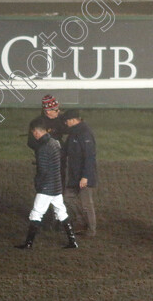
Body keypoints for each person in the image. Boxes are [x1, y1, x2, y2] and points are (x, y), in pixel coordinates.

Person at [16, 120, 78, 250]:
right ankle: (73, 241)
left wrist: (38, 184)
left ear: (36, 132)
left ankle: (28, 243)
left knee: (36, 214)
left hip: (46, 187)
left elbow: (43, 170)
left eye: (34, 133)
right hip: (56, 185)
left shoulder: (42, 148)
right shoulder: (55, 143)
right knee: (61, 212)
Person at [26, 94, 67, 230]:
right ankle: (48, 218)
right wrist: (46, 148)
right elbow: (31, 142)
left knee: (59, 189)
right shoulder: (38, 123)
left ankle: (57, 219)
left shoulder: (61, 119)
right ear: (48, 111)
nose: (59, 112)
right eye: (56, 110)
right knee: (46, 189)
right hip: (46, 161)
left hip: (59, 161)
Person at [61, 109, 98, 237]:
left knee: (87, 204)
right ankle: (81, 222)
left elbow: (89, 157)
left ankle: (91, 230)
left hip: (83, 176)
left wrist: (85, 177)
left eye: (66, 121)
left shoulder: (85, 134)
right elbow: (64, 151)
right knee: (67, 199)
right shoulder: (74, 133)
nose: (65, 123)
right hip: (74, 175)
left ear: (72, 120)